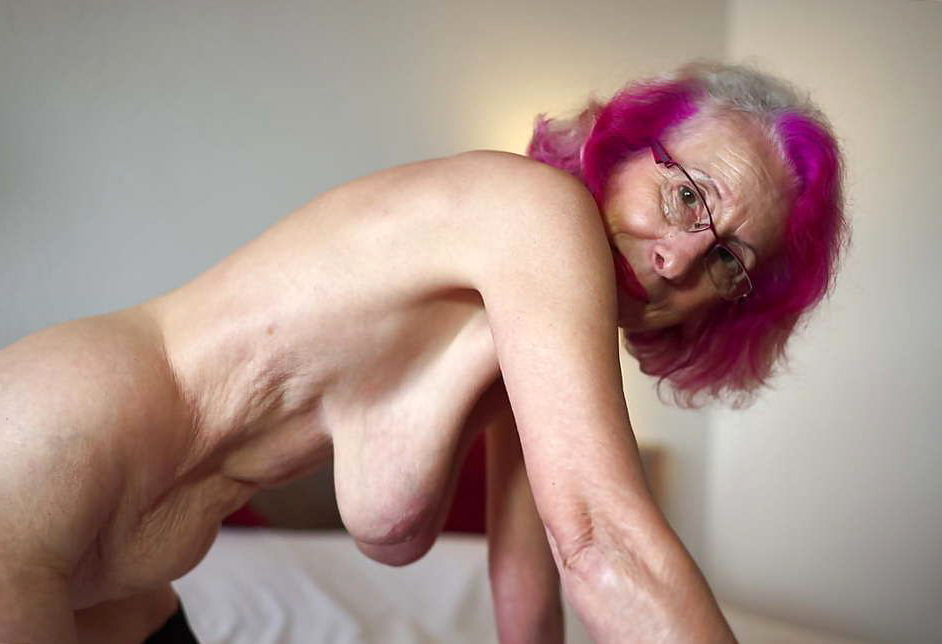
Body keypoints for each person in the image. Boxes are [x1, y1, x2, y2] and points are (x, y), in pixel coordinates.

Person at [0, 61, 845, 643]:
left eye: (729, 260)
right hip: (42, 460)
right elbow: (602, 544)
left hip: (124, 589)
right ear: (621, 151)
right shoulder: (535, 209)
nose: (681, 258)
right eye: (687, 194)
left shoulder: (525, 351)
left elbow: (530, 583)